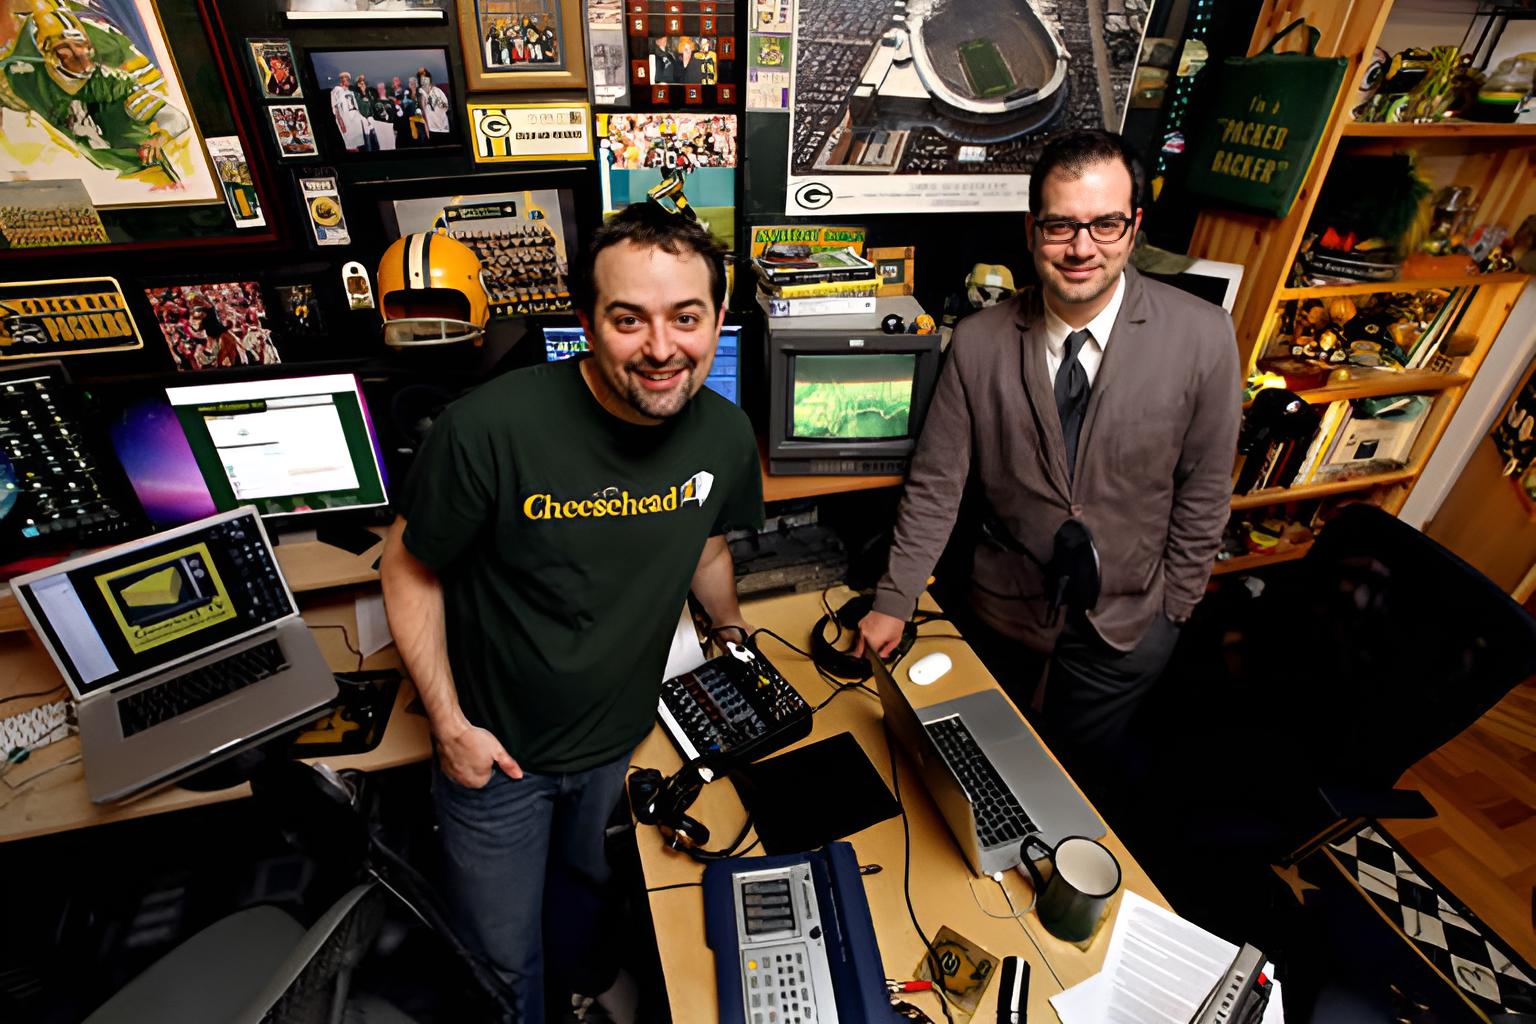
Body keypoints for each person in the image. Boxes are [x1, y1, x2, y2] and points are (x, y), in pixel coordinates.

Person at [379, 202, 763, 1023]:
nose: (662, 348)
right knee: (500, 961)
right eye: (629, 319)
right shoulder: (486, 430)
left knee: (585, 891)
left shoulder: (725, 437)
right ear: (587, 320)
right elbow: (407, 569)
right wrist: (448, 724)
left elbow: (706, 548)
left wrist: (734, 640)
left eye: (686, 318)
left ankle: (584, 984)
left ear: (718, 319)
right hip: (498, 759)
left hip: (614, 740)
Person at [856, 129, 1241, 799]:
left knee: (1069, 787)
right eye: (1062, 225)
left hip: (1127, 627)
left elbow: (1204, 491)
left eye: (1106, 224)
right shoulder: (977, 343)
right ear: (1032, 229)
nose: (1082, 247)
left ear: (1135, 227)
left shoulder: (1205, 338)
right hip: (1000, 613)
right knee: (977, 770)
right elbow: (937, 485)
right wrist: (894, 600)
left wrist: (1173, 611)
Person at [330, 70, 366, 151]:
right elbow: (335, 107)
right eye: (345, 78)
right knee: (350, 144)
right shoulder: (337, 90)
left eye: (348, 78)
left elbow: (357, 104)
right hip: (346, 119)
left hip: (355, 117)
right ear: (342, 80)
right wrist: (340, 121)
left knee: (357, 144)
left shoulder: (351, 92)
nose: (347, 80)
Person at [418, 67, 449, 137]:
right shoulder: (420, 94)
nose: (424, 80)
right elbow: (421, 111)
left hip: (442, 127)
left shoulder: (437, 91)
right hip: (430, 129)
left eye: (425, 78)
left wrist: (438, 101)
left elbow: (445, 107)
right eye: (422, 78)